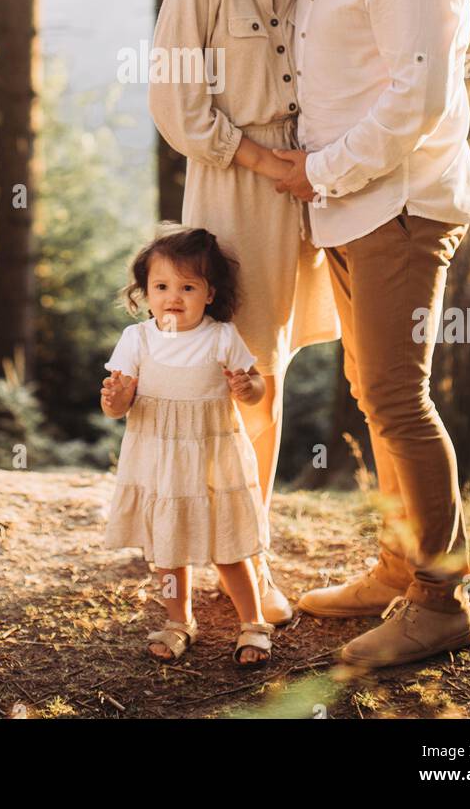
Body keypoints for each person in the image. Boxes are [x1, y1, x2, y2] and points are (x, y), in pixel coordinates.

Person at [267, 0, 470, 669]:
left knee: (398, 396)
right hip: (353, 206)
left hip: (398, 205)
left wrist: (321, 172)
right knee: (373, 390)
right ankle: (403, 565)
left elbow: (417, 102)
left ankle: (440, 602)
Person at [147, 0, 340, 625]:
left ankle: (245, 552)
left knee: (267, 378)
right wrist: (266, 164)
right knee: (225, 383)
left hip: (303, 193)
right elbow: (175, 103)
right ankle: (207, 566)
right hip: (233, 189)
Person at [101, 226, 276, 665]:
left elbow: (254, 390)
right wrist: (114, 397)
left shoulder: (221, 337)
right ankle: (178, 621)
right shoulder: (136, 340)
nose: (172, 297)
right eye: (161, 286)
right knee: (168, 549)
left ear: (210, 293)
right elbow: (117, 408)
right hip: (161, 463)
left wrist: (245, 385)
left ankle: (252, 622)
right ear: (145, 294)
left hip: (214, 460)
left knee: (230, 547)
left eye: (187, 286)